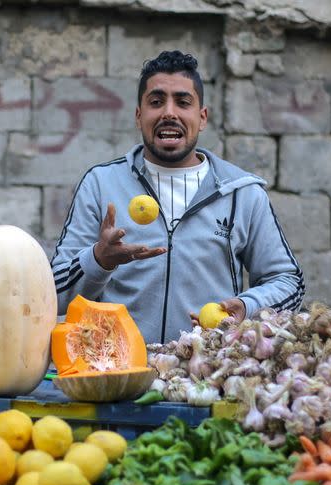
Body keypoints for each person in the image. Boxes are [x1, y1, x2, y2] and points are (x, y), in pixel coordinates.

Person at [50, 50, 304, 345]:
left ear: (202, 117)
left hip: (206, 374)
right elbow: (54, 294)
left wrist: (247, 307)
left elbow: (289, 283)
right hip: (116, 372)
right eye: (156, 102)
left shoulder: (242, 193)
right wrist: (98, 260)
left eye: (183, 102)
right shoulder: (100, 184)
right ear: (138, 115)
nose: (169, 112)